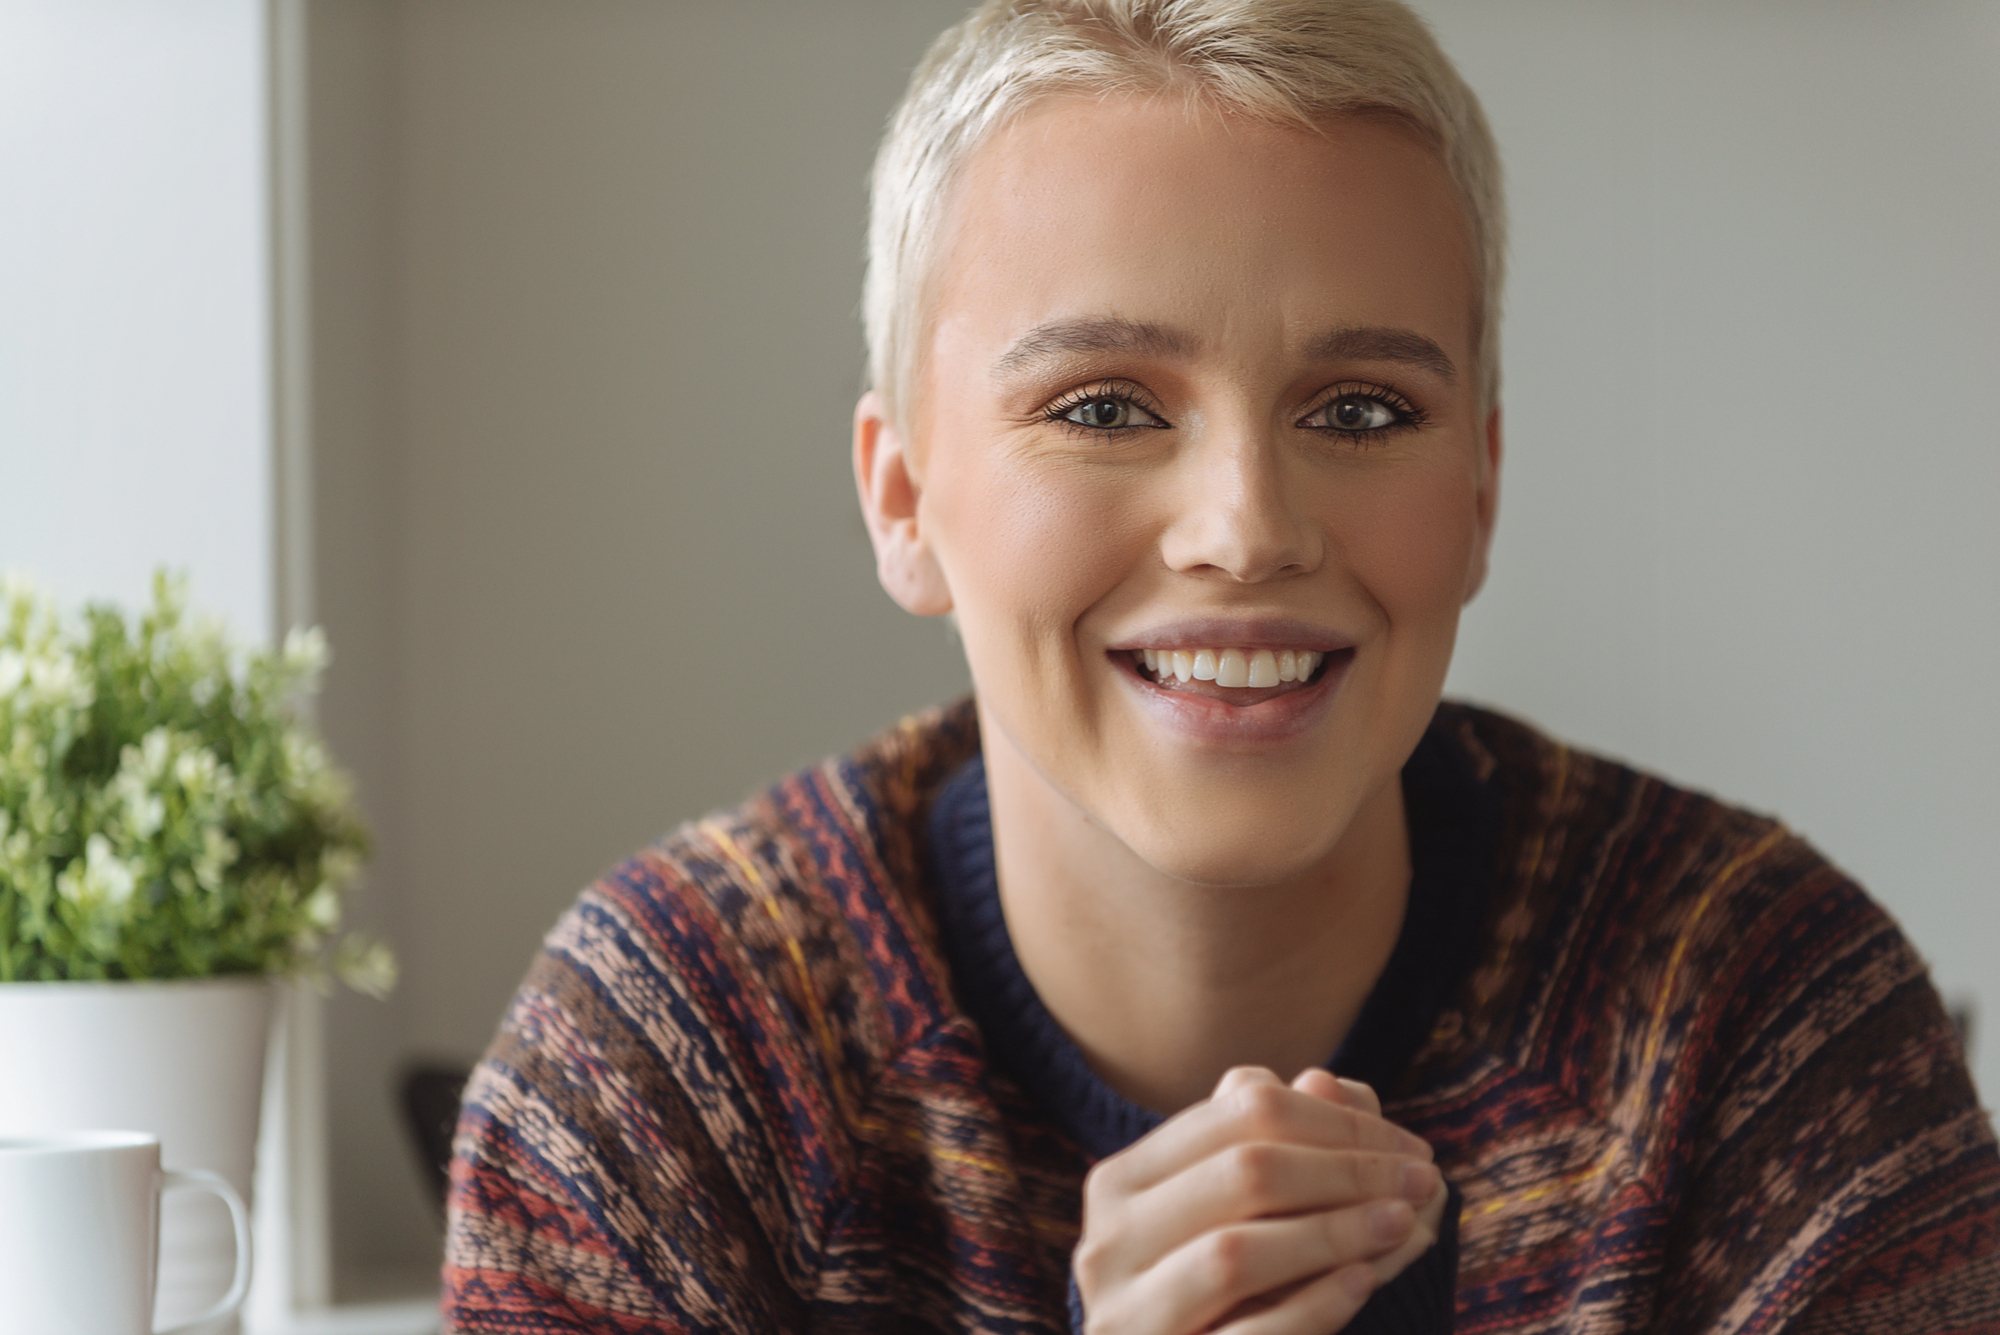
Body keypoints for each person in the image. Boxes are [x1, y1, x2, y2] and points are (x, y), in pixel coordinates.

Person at [440, 1, 2000, 1331]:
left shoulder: (1760, 1024)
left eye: (1363, 411)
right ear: (905, 500)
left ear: (1480, 497)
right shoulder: (661, 1066)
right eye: (1107, 408)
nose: (1247, 530)